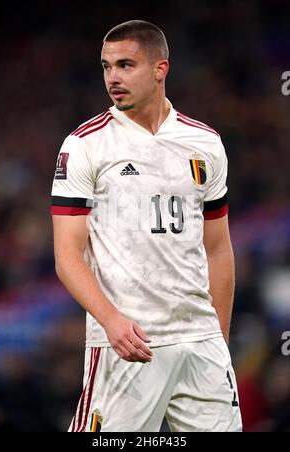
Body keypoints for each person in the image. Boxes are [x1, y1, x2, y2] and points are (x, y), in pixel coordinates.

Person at [51, 20, 242, 432]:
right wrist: (110, 321)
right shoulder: (85, 145)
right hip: (129, 342)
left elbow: (218, 248)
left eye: (125, 65)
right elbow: (67, 256)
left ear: (160, 69)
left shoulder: (205, 143)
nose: (112, 78)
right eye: (106, 67)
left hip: (199, 342)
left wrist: (217, 338)